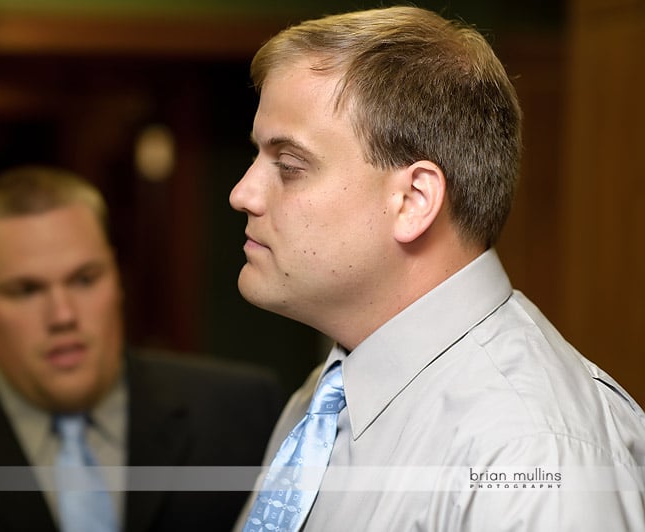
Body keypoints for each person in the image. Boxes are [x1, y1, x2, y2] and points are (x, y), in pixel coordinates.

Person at [229, 6, 645, 531]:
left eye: (288, 166)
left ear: (414, 200)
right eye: (256, 158)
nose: (242, 193)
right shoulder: (327, 396)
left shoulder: (527, 453)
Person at [0, 165, 284, 532]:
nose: (62, 315)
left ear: (116, 277)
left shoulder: (242, 412)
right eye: (25, 290)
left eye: (84, 279)